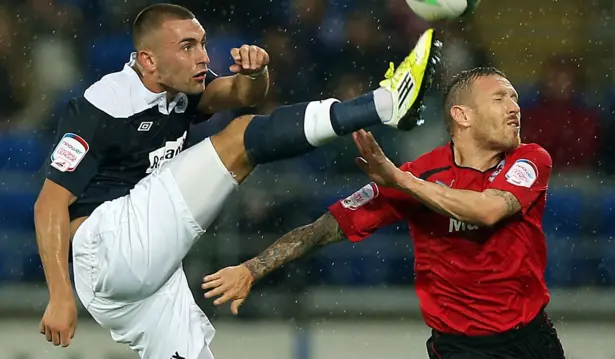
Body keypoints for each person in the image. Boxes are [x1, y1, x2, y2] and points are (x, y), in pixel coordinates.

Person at [33, 2, 441, 358]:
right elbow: (48, 204)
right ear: (148, 61)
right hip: (109, 248)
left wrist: (257, 72)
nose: (203, 58)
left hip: (143, 279)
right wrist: (59, 294)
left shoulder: (179, 86)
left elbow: (243, 94)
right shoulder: (101, 107)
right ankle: (383, 103)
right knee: (239, 140)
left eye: (203, 43)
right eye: (187, 46)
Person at [203, 67, 566, 359]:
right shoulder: (419, 174)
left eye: (514, 98)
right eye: (500, 97)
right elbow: (324, 228)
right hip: (460, 348)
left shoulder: (530, 159)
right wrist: (252, 269)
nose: (514, 107)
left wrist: (400, 181)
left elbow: (488, 210)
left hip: (532, 339)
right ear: (462, 115)